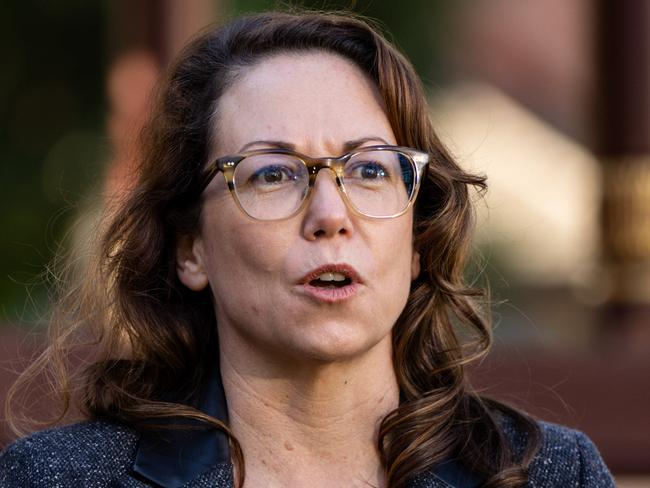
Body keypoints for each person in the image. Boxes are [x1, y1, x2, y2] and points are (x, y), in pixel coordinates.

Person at [0, 10, 614, 488]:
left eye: (371, 171)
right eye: (273, 174)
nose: (329, 216)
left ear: (419, 239)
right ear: (191, 249)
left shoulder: (549, 474)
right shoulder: (58, 477)